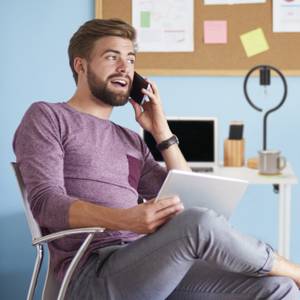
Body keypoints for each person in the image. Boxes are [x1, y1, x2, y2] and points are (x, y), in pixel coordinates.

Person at [13, 18, 300, 300]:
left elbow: (191, 201)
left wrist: (161, 131)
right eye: (112, 57)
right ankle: (294, 268)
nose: (125, 68)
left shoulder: (130, 139)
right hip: (93, 274)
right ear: (81, 65)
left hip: (151, 266)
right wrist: (125, 219)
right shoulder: (47, 117)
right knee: (198, 224)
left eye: (131, 59)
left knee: (278, 288)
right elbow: (45, 204)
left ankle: (289, 273)